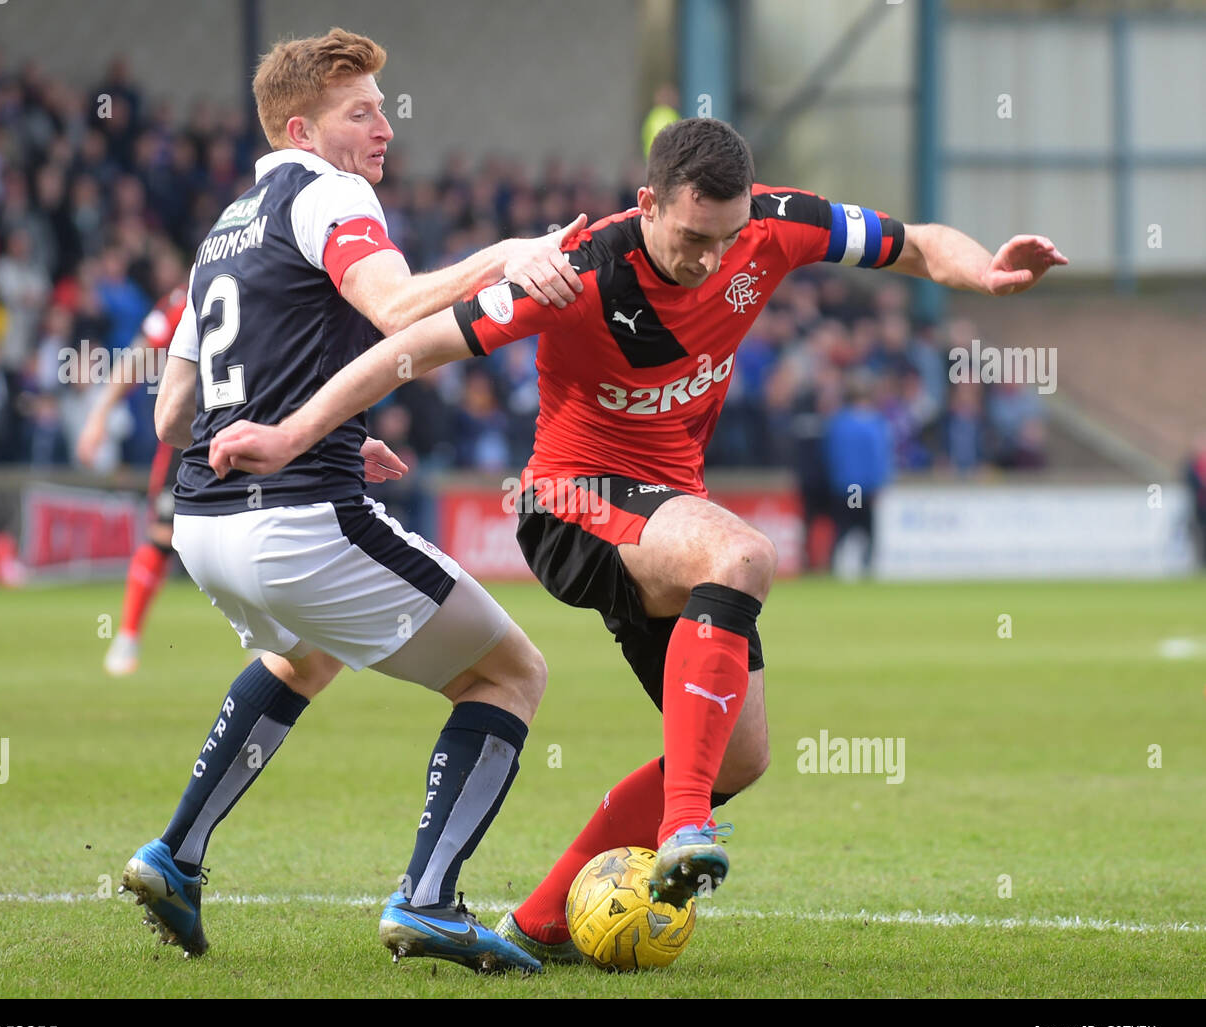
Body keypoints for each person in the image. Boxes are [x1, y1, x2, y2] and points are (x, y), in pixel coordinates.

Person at [208, 117, 1068, 962]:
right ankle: (685, 823)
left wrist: (985, 271)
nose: (711, 258)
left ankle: (540, 923)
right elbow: (415, 345)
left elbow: (915, 242)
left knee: (742, 753)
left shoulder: (781, 224)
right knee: (742, 555)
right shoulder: (580, 269)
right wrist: (293, 434)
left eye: (727, 240)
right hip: (568, 500)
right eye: (693, 237)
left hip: (662, 510)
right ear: (649, 201)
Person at [121, 26, 586, 974]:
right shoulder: (330, 192)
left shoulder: (222, 229)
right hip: (297, 520)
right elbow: (400, 307)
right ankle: (430, 899)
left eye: (381, 107)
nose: (383, 127)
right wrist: (510, 251)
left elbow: (174, 413)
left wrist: (320, 425)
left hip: (205, 527)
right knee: (510, 675)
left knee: (302, 660)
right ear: (304, 127)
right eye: (360, 112)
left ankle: (176, 853)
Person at [76, 248, 189, 675]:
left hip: (254, 427)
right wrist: (99, 414)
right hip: (192, 436)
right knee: (163, 534)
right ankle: (126, 637)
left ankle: (269, 638)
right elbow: (141, 354)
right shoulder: (187, 297)